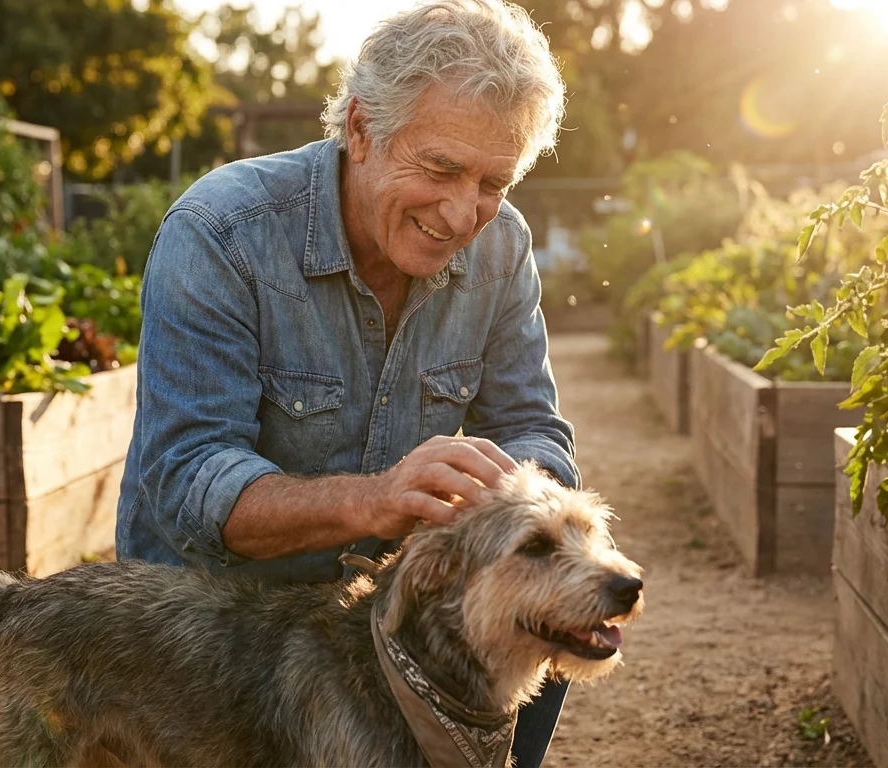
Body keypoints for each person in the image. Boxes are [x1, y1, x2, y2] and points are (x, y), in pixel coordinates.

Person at [115, 0, 576, 764]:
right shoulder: (223, 233)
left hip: (369, 613)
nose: (464, 212)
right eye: (440, 168)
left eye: (494, 181)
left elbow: (535, 429)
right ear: (361, 130)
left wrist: (516, 499)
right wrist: (379, 497)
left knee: (544, 617)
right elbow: (188, 480)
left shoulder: (503, 247)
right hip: (217, 613)